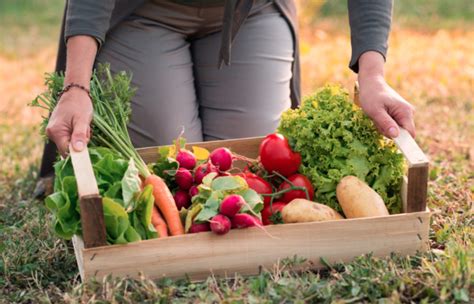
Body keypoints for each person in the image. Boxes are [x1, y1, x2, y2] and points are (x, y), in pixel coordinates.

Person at [35, 0, 415, 196]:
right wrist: (76, 87)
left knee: (247, 168)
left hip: (250, 13)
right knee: (169, 165)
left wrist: (373, 75)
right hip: (143, 13)